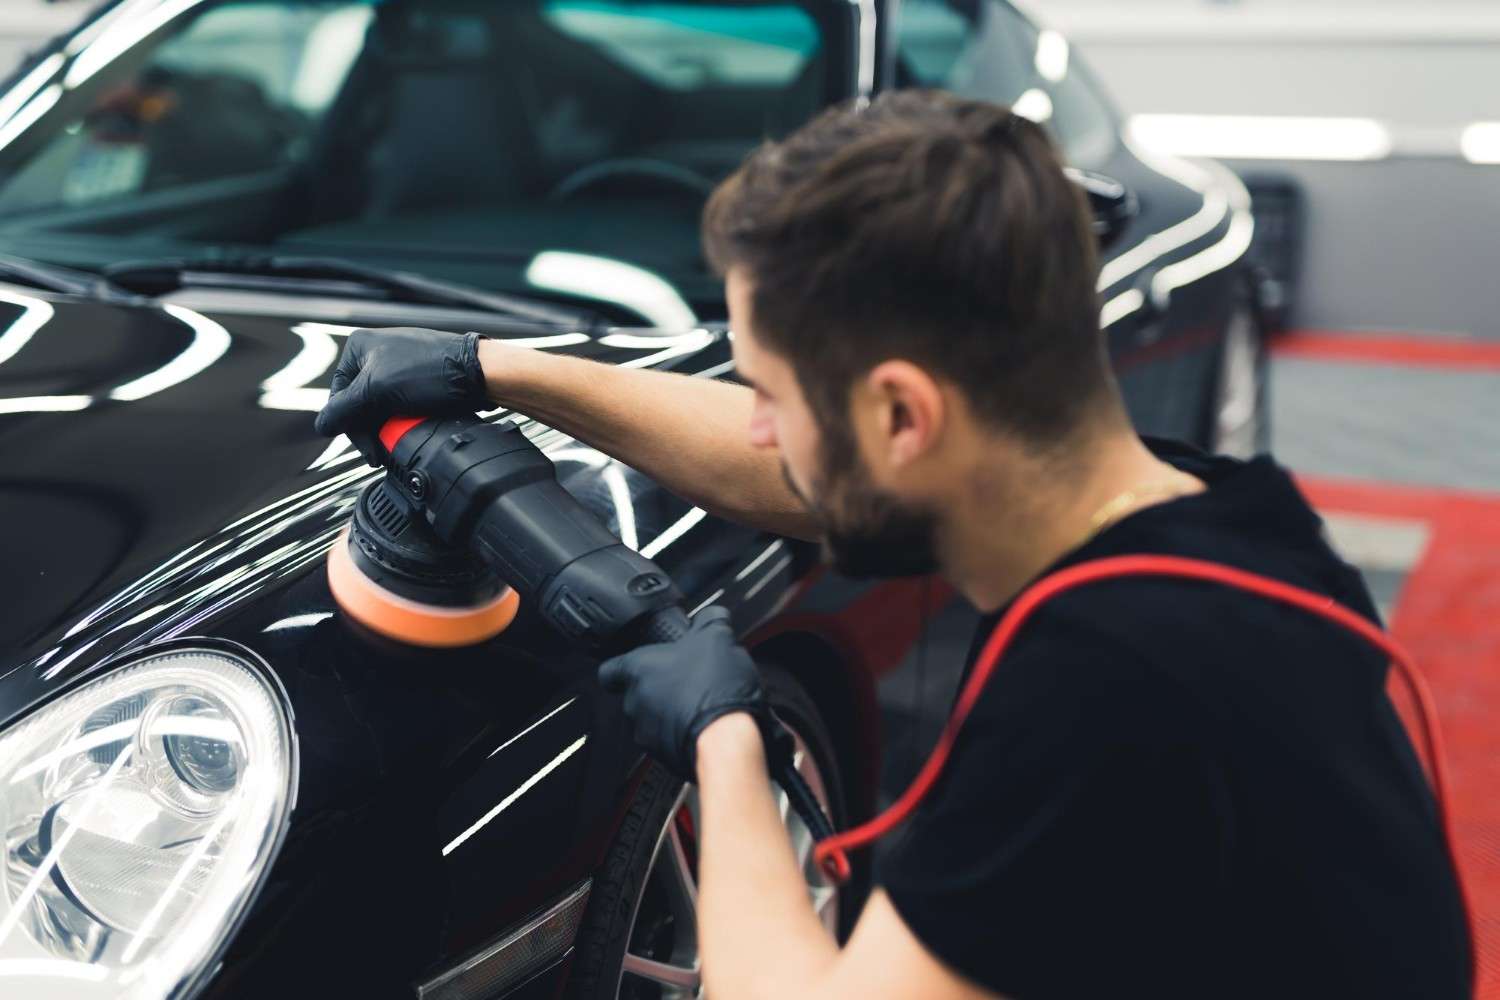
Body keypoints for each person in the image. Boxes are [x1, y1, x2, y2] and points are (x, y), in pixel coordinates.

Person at [315, 91, 1470, 998]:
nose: (758, 425)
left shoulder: (1104, 680)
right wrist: (496, 370)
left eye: (770, 391)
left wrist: (723, 746)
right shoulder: (1221, 519)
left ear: (904, 418)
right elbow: (805, 470)